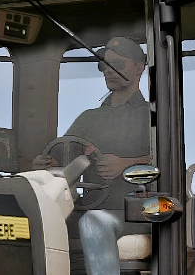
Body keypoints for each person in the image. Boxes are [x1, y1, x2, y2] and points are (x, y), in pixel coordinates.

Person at [41, 36, 152, 181]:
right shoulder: (88, 118)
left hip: (144, 203)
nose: (109, 71)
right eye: (104, 65)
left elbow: (168, 161)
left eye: (118, 64)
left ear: (139, 68)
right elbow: (63, 161)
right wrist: (46, 165)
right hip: (92, 204)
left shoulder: (152, 115)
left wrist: (125, 164)